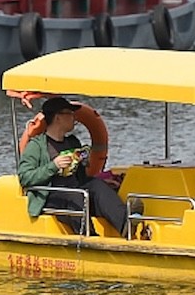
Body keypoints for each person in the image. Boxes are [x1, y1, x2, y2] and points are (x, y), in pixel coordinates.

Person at [18, 97, 131, 236]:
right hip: (52, 197)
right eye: (70, 114)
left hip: (75, 190)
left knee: (97, 186)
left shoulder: (72, 142)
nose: (74, 118)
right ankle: (89, 237)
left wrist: (82, 161)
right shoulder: (37, 146)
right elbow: (25, 177)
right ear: (58, 117)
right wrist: (53, 166)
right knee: (76, 195)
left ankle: (126, 224)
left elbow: (82, 177)